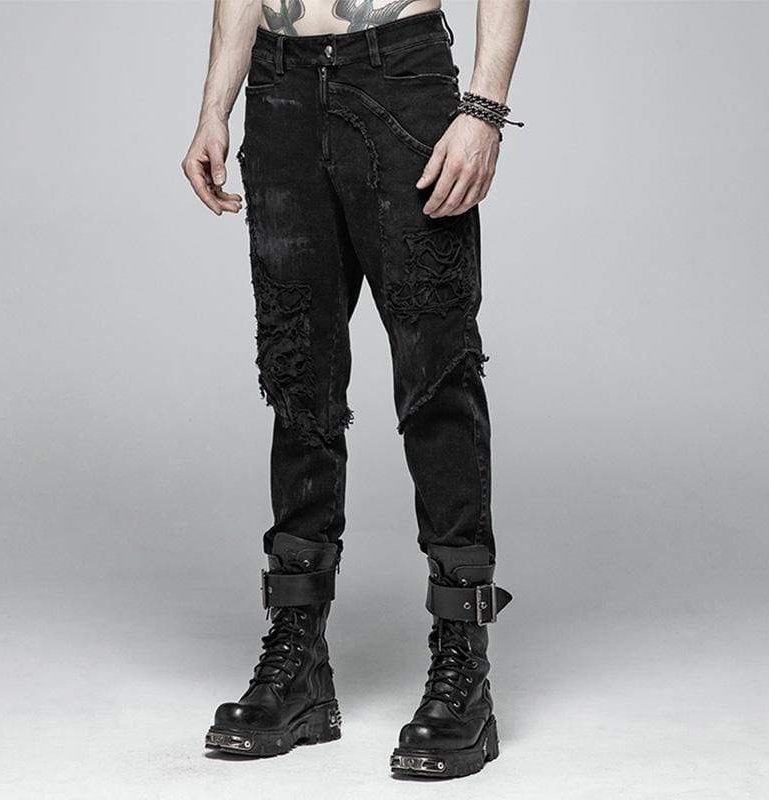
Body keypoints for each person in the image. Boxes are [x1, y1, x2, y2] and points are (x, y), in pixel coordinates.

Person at [183, 0, 529, 779]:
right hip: (278, 88)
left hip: (399, 76)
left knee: (436, 374)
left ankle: (463, 664)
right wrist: (214, 106)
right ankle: (299, 661)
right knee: (298, 376)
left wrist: (483, 109)